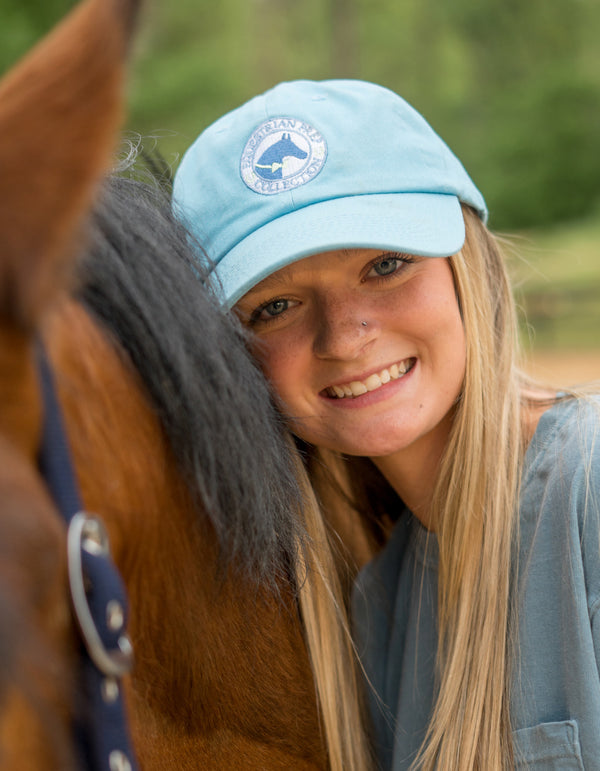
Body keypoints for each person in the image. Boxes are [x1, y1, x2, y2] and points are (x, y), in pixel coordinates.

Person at [172, 79, 600, 770]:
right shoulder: (378, 604)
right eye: (274, 306)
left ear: (468, 265)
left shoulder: (589, 488)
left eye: (386, 264)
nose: (344, 336)